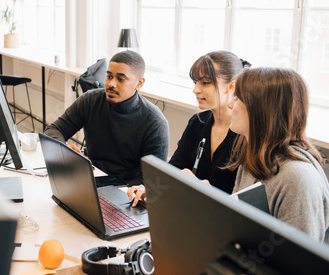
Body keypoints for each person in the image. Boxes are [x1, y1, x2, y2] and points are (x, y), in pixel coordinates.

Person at [128, 51, 250, 205]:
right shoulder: (198, 122)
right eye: (195, 82)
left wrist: (202, 189)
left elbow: (242, 201)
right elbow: (175, 169)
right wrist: (151, 189)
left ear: (231, 86)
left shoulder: (244, 135)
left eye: (205, 83)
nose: (196, 90)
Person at [227, 67, 329, 243]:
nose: (229, 104)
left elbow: (300, 262)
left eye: (238, 99)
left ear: (262, 110)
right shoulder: (254, 156)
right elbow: (236, 224)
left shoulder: (297, 178)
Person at [44, 50, 169, 186]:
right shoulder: (90, 100)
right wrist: (65, 151)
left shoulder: (155, 123)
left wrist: (115, 192)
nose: (111, 84)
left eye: (120, 79)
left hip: (125, 188)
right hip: (91, 176)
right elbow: (54, 130)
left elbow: (152, 180)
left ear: (139, 83)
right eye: (109, 76)